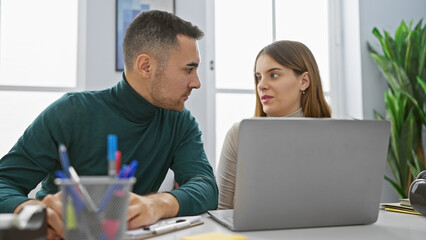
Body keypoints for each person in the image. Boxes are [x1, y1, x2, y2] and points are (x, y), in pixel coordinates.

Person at [0, 10, 218, 239]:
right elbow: (4, 181)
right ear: (146, 66)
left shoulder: (180, 121)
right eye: (188, 69)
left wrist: (158, 204)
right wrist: (31, 210)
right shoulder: (71, 112)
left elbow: (205, 186)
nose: (197, 82)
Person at [216, 40, 331, 209]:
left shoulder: (335, 137)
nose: (261, 85)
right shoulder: (238, 134)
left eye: (274, 75)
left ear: (304, 81)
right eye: (258, 77)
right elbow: (220, 210)